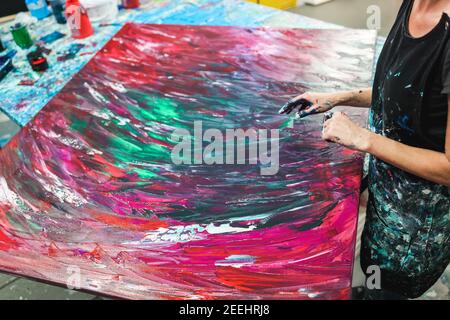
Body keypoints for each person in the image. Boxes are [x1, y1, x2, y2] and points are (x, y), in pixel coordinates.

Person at [283, 0, 450, 299]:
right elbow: (405, 91)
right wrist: (340, 97)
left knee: (387, 290)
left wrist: (361, 138)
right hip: (386, 201)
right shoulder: (414, 3)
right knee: (374, 275)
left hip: (414, 233)